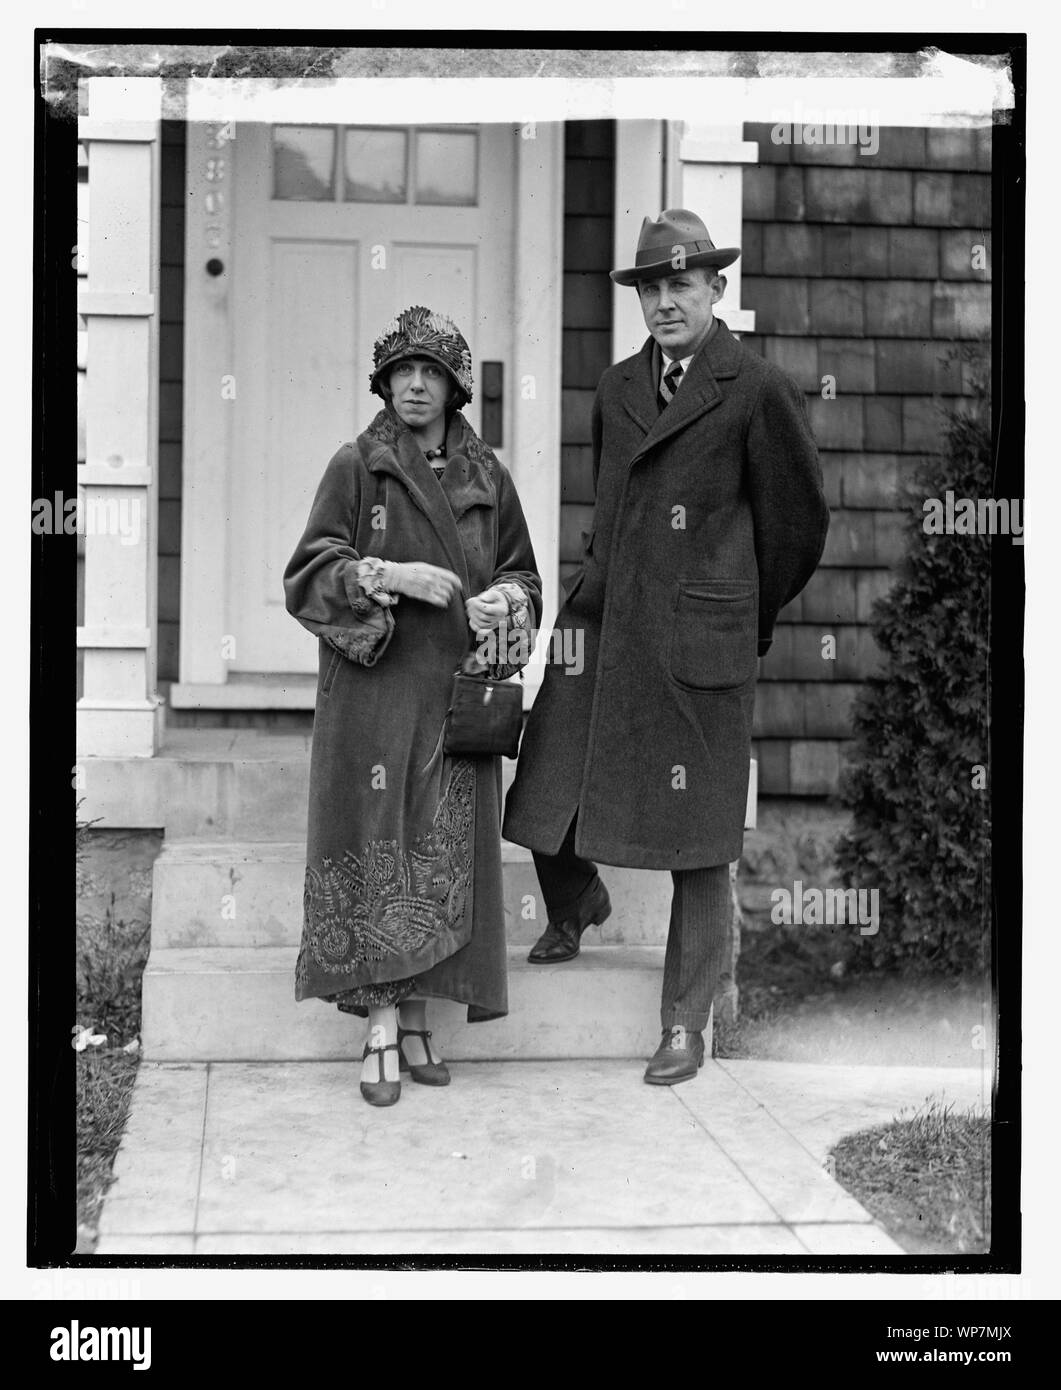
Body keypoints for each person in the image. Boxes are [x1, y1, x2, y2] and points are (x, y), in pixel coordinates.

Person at [503, 209, 830, 1085]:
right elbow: (611, 506)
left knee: (697, 836)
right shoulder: (615, 389)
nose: (664, 302)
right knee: (543, 777)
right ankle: (577, 900)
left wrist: (739, 613)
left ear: (715, 289)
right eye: (650, 287)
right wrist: (586, 592)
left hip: (701, 637)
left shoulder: (754, 387)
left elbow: (797, 527)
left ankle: (685, 1018)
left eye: (680, 284)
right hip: (605, 618)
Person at [284, 306, 542, 1106]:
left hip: (453, 697)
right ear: (385, 384)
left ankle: (421, 1018)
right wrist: (389, 574)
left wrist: (504, 600)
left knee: (441, 856)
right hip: (373, 694)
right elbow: (306, 573)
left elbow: (524, 575)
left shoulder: (486, 475)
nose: (417, 385)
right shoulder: (356, 465)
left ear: (455, 386)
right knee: (380, 844)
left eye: (431, 373)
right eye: (404, 373)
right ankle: (379, 1027)